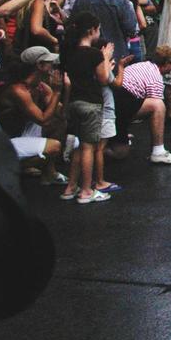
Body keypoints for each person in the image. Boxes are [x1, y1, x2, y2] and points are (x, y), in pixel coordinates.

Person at [0, 46, 68, 184]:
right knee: (54, 146)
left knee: (58, 124)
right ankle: (6, 169)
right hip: (4, 141)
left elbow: (61, 116)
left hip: (22, 132)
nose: (53, 66)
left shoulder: (40, 87)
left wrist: (65, 90)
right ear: (39, 65)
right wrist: (57, 92)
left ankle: (48, 174)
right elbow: (43, 120)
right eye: (49, 63)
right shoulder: (18, 90)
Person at [60, 15, 113, 204]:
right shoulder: (94, 54)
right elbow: (104, 79)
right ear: (92, 30)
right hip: (91, 102)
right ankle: (86, 190)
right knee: (89, 147)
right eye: (98, 29)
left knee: (77, 146)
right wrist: (106, 58)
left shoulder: (69, 53)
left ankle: (70, 187)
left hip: (74, 101)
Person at [110, 45, 171, 164]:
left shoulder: (143, 65)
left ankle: (88, 149)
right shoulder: (155, 80)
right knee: (158, 105)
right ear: (166, 64)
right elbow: (153, 108)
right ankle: (158, 151)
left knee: (120, 150)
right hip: (122, 101)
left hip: (115, 99)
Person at [71, 0, 139, 61]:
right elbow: (131, 29)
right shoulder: (120, 0)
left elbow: (73, 26)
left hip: (88, 55)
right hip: (117, 54)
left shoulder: (81, 1)